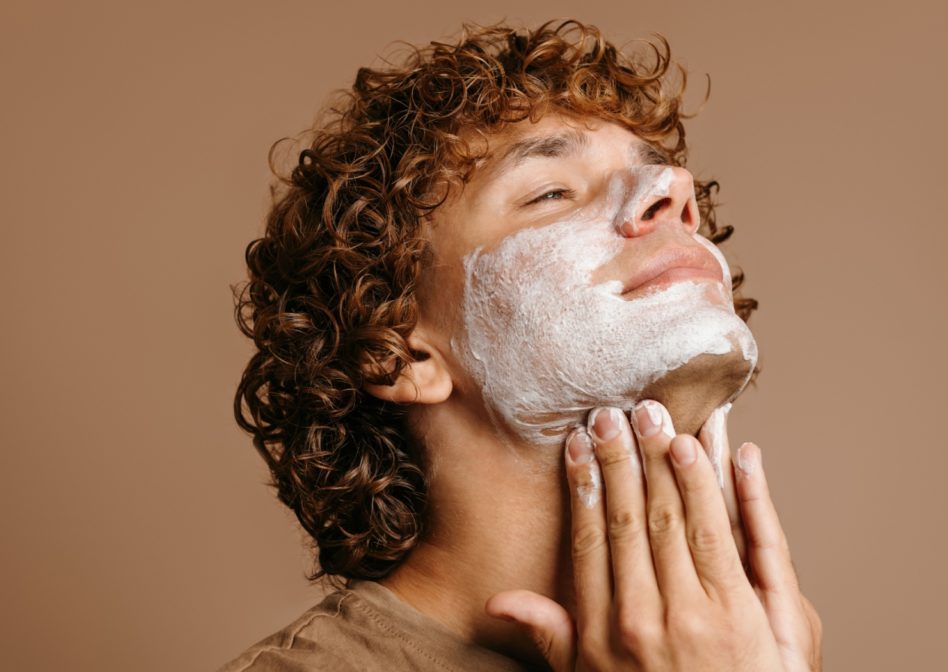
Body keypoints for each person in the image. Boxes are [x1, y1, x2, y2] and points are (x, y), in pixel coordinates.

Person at [224, 19, 823, 672]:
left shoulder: (756, 647)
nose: (674, 193)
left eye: (668, 183)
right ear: (398, 351)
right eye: (552, 193)